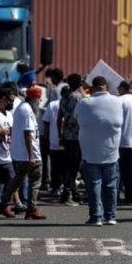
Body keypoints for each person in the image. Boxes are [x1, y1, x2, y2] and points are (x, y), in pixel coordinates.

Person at [75, 77, 124, 226]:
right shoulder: (117, 101)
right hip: (111, 151)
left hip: (90, 153)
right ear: (106, 86)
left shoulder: (84, 102)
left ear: (93, 87)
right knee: (110, 186)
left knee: (94, 185)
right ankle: (111, 216)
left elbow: (76, 118)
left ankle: (96, 217)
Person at [0, 85, 46, 219]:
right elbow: (27, 133)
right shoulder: (27, 111)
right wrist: (31, 155)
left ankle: (3, 203)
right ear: (35, 99)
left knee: (17, 180)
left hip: (21, 154)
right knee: (35, 182)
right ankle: (31, 209)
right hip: (30, 154)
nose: (39, 102)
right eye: (38, 99)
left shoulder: (22, 108)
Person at [57, 73, 84, 206]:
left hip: (67, 135)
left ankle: (73, 193)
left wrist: (60, 135)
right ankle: (67, 193)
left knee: (69, 165)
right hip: (77, 136)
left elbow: (59, 118)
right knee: (74, 166)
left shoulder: (64, 97)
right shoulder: (79, 98)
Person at [41, 88, 66, 197]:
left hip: (54, 141)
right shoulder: (75, 103)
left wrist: (46, 137)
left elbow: (46, 122)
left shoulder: (52, 104)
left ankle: (55, 188)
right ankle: (65, 188)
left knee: (55, 166)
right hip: (69, 141)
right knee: (67, 166)